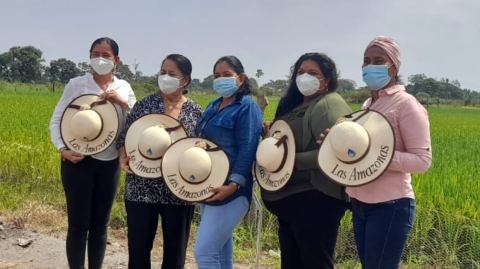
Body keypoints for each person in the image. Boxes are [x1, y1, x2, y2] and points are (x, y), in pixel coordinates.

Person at [49, 37, 136, 269]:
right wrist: (63, 149)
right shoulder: (77, 84)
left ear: (117, 60)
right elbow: (57, 119)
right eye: (95, 54)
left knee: (101, 225)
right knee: (78, 225)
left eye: (106, 55)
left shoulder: (124, 88)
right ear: (89, 57)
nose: (100, 59)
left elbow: (136, 123)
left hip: (110, 164)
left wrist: (123, 103)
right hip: (78, 162)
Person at [347, 36, 432, 268]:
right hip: (359, 202)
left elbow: (422, 161)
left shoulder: (406, 104)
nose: (370, 66)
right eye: (366, 61)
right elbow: (357, 151)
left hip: (391, 205)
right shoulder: (367, 105)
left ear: (394, 67)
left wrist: (375, 155)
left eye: (378, 60)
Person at [261, 52, 352, 269]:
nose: (304, 77)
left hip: (315, 199)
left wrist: (289, 161)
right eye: (300, 72)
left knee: (316, 263)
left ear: (327, 80)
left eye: (313, 73)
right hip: (288, 198)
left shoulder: (329, 105)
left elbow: (339, 153)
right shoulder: (293, 106)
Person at [117, 54, 203, 269]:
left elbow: (201, 147)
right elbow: (123, 137)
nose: (165, 77)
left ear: (185, 80)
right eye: (162, 72)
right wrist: (122, 159)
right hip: (141, 186)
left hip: (178, 189)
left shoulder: (196, 111)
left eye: (171, 74)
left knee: (175, 252)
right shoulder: (145, 105)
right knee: (138, 248)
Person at [193, 56, 263, 269]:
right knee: (221, 255)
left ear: (241, 78)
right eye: (217, 76)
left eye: (226, 75)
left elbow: (247, 149)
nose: (220, 80)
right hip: (209, 187)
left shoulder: (247, 108)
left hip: (231, 191)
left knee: (204, 252)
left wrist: (233, 185)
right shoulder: (214, 105)